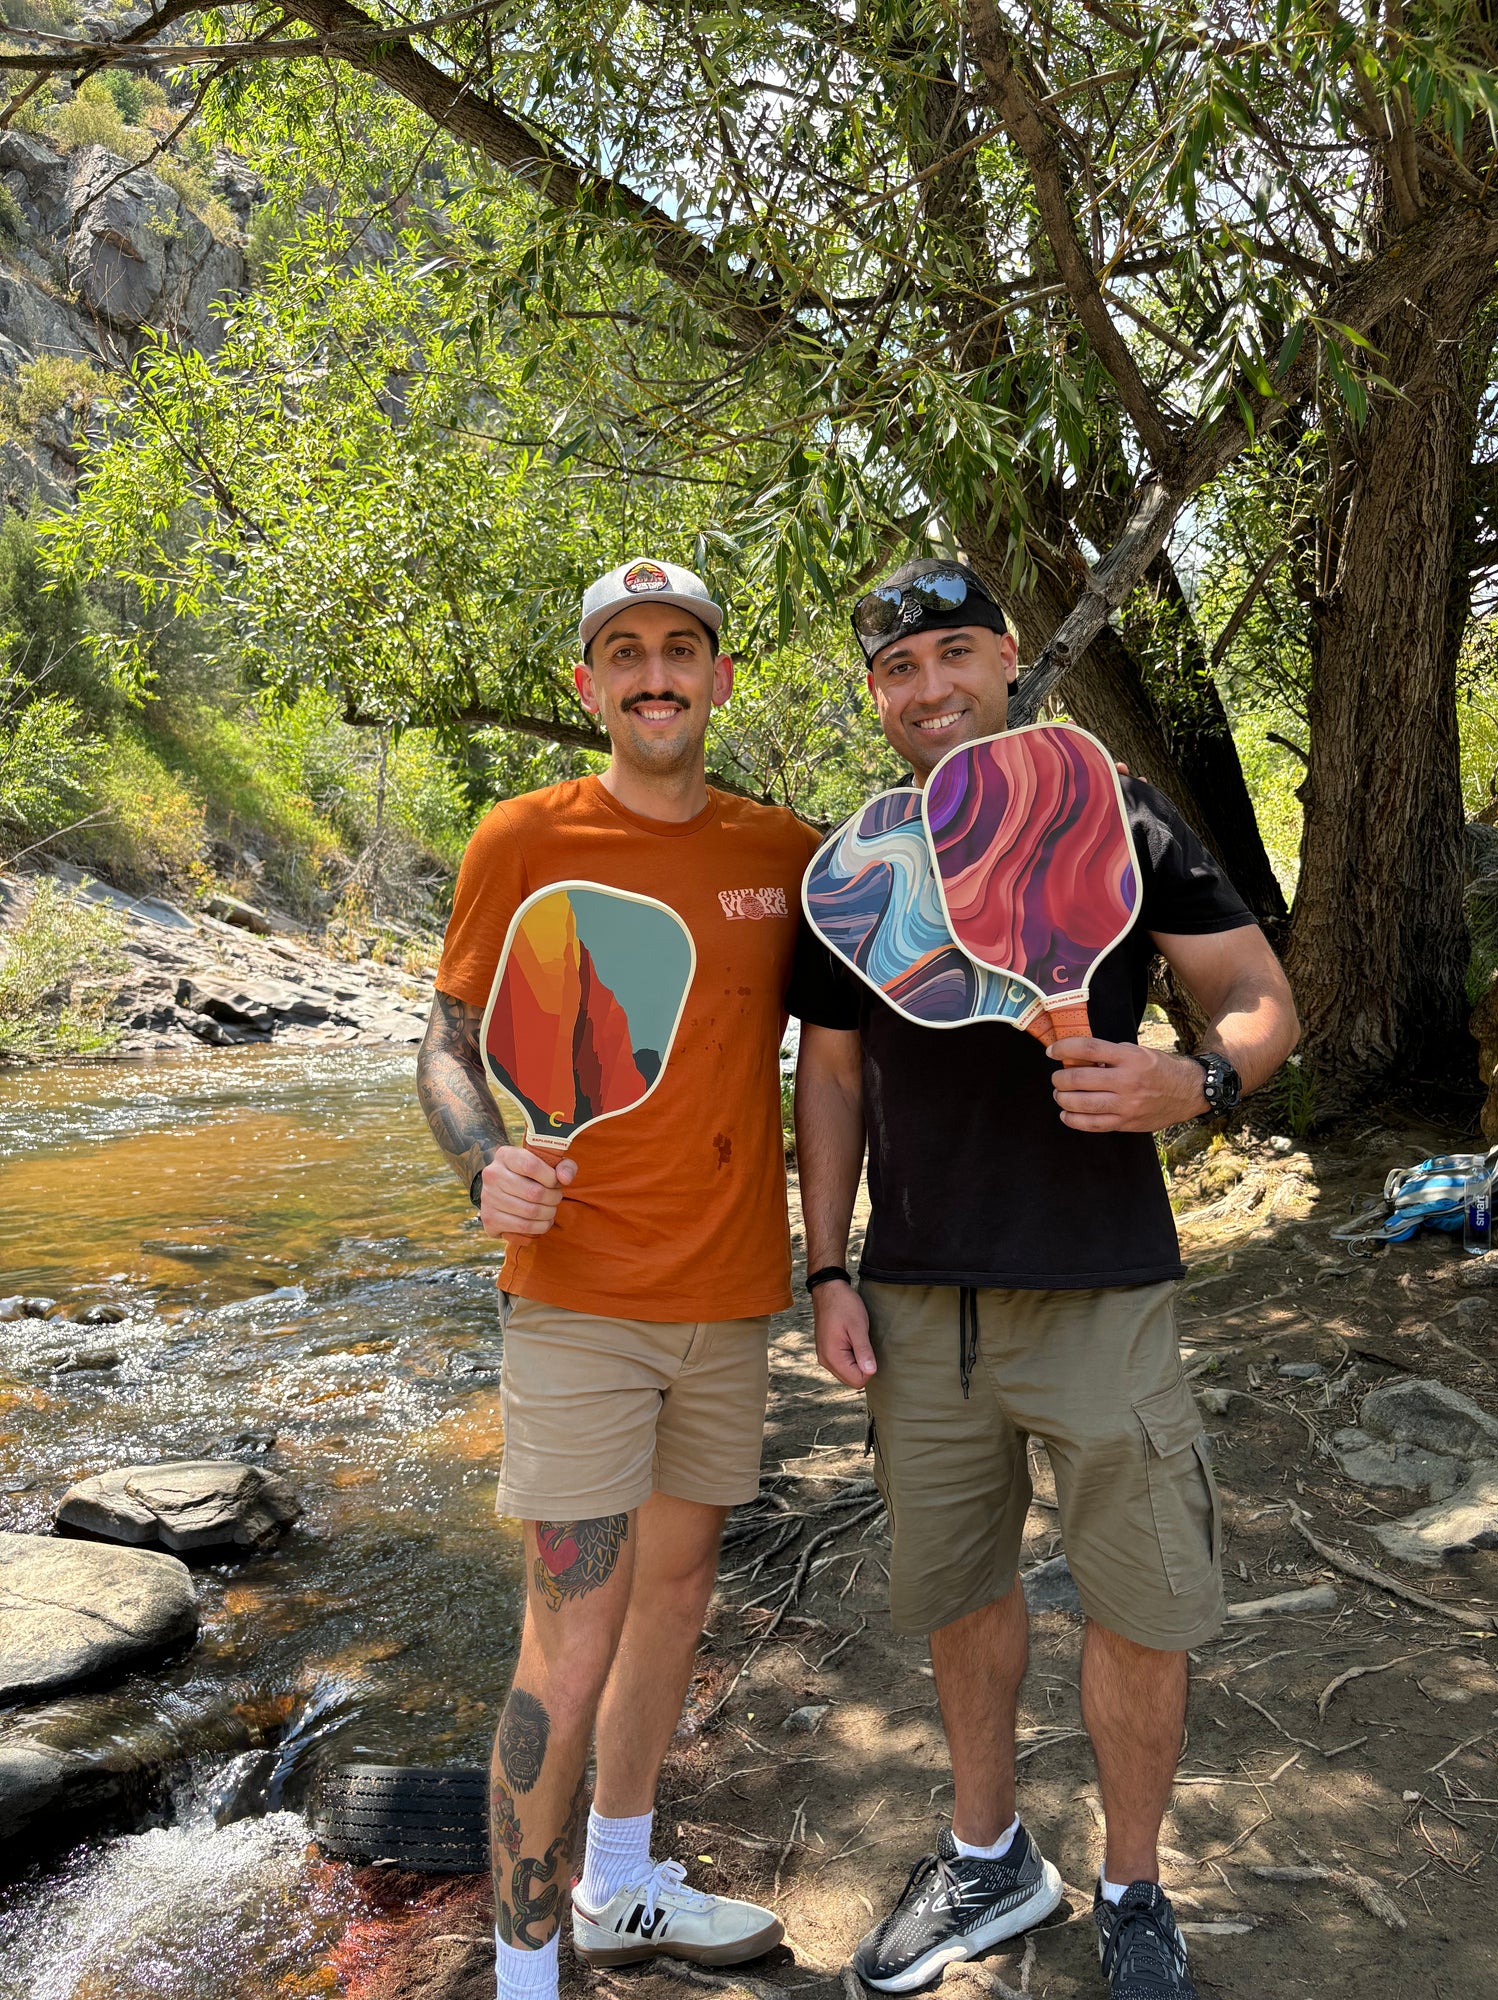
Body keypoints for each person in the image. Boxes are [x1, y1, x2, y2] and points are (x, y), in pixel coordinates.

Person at [790, 559, 1300, 2000]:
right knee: (962, 1591)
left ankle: (1134, 1889)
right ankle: (991, 1856)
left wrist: (1188, 1078)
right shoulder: (859, 868)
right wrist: (827, 1265)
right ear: (876, 694)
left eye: (955, 654)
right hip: (916, 1301)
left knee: (1141, 1607)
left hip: (1103, 1294)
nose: (931, 688)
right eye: (899, 668)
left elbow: (1263, 1002)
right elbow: (828, 1081)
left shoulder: (1117, 810)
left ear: (1009, 660)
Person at [417, 557, 820, 2000]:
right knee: (571, 1630)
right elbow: (450, 1042)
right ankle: (528, 1977)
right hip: (578, 1301)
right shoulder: (521, 835)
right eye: (626, 652)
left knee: (677, 1595)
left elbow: (874, 1018)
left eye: (683, 648)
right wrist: (483, 1166)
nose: (656, 673)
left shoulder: (785, 852)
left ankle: (622, 1880)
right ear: (588, 687)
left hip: (730, 1300)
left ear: (718, 677)